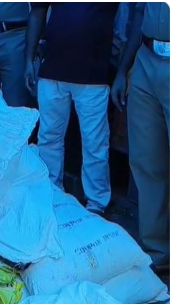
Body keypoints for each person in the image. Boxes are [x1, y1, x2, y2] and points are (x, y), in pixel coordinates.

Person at [24, 2, 120, 217]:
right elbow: (38, 11)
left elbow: (136, 16)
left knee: (94, 143)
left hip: (92, 75)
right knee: (48, 137)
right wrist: (29, 58)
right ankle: (51, 193)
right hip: (52, 69)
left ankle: (96, 205)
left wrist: (123, 70)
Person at [111, 2, 170, 272]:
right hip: (146, 58)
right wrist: (124, 68)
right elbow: (137, 12)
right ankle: (157, 253)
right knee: (147, 162)